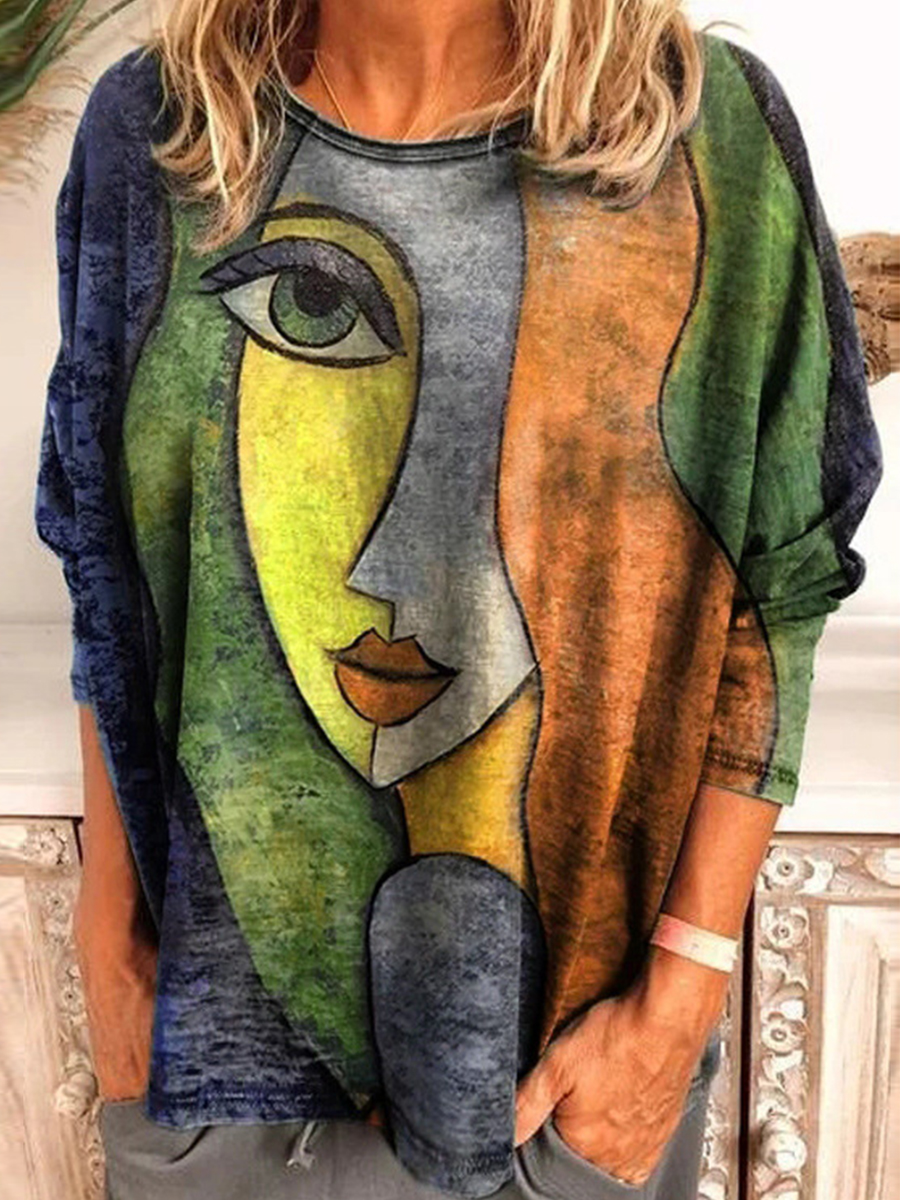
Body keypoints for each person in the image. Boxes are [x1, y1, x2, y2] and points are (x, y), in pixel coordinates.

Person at [34, 0, 883, 1197]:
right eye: (311, 308)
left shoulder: (705, 131)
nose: (388, 561)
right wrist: (111, 948)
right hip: (203, 1089)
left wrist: (682, 988)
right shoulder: (160, 130)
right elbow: (108, 561)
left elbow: (777, 584)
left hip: (571, 1086)